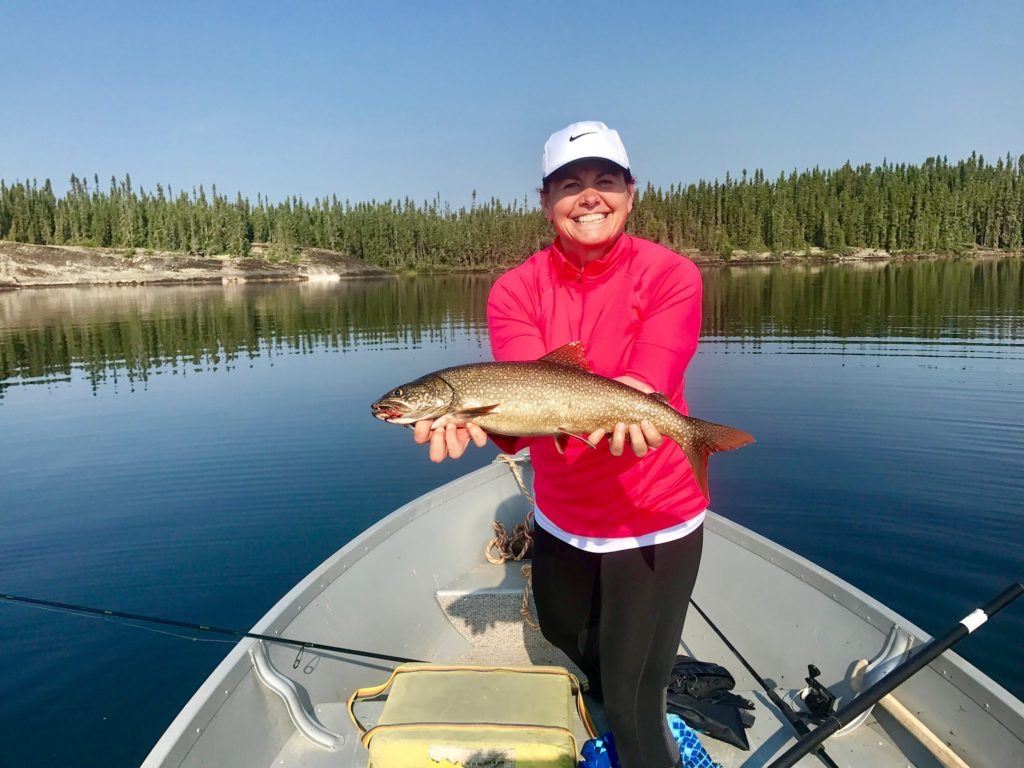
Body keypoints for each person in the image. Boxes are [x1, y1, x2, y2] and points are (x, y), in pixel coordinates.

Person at [413, 121, 705, 768]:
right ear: (546, 201)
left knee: (631, 704)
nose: (590, 196)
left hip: (652, 516)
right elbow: (524, 402)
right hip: (563, 514)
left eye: (605, 181)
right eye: (570, 185)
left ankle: (644, 711)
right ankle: (631, 677)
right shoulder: (514, 290)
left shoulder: (672, 274)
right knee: (563, 632)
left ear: (630, 194)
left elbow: (653, 370)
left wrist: (633, 398)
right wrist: (480, 420)